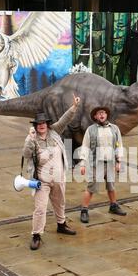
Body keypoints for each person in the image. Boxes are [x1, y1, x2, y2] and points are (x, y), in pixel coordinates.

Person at [23, 94, 80, 250]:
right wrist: (29, 139)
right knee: (40, 208)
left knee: (60, 202)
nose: (41, 126)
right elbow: (26, 155)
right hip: (42, 181)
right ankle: (36, 235)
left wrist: (74, 106)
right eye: (38, 124)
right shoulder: (32, 139)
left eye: (44, 123)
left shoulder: (54, 131)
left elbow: (65, 119)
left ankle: (61, 224)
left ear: (47, 124)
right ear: (35, 126)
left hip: (59, 177)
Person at [79, 106, 127, 223]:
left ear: (106, 115)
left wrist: (119, 161)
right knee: (91, 187)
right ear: (95, 116)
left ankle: (113, 206)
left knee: (111, 186)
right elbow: (85, 146)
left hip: (110, 163)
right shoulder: (91, 130)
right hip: (96, 163)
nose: (101, 115)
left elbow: (119, 145)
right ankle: (84, 210)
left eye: (103, 113)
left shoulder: (114, 129)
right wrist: (83, 163)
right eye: (99, 113)